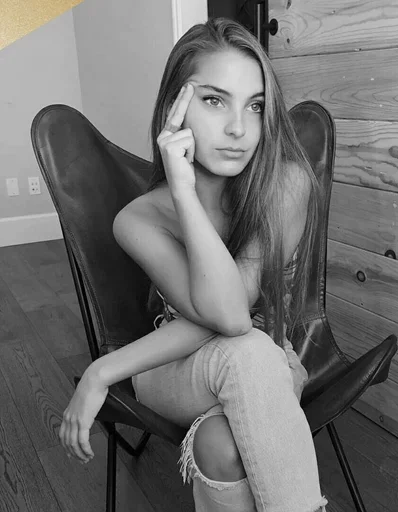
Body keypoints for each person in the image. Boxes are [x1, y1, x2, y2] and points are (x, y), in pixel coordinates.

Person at [59, 17, 328, 512]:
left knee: (222, 440)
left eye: (255, 105)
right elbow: (224, 321)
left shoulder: (287, 184)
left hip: (269, 359)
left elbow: (232, 316)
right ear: (173, 108)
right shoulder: (138, 219)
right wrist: (182, 192)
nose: (238, 128)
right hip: (173, 369)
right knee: (246, 351)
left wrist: (101, 372)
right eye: (214, 100)